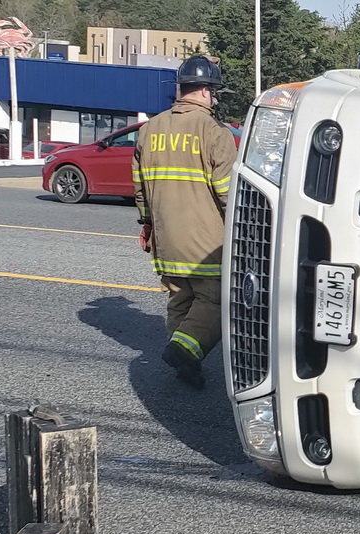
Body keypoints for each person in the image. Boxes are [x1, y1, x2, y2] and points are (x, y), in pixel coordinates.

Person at [132, 55, 237, 389]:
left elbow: (140, 188)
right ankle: (184, 350)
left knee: (180, 300)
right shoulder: (214, 131)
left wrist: (147, 226)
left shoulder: (149, 129)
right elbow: (228, 193)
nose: (215, 98)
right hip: (206, 244)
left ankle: (185, 366)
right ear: (205, 90)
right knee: (219, 301)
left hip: (166, 239)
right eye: (214, 92)